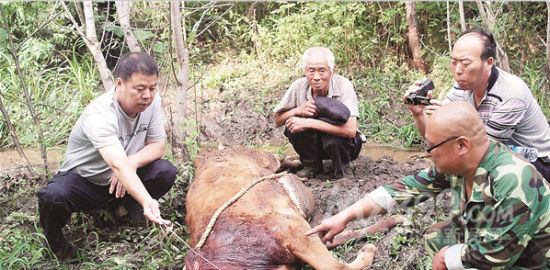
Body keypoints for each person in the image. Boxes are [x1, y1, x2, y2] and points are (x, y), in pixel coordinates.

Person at [307, 101, 550, 269]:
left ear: (462, 145)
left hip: (526, 261)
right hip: (486, 242)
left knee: (449, 252)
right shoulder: (459, 165)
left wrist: (447, 257)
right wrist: (345, 217)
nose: (427, 154)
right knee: (438, 235)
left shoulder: (512, 180)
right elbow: (402, 191)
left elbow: (496, 257)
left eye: (432, 147)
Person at [37, 52, 177, 260]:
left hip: (121, 179)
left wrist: (132, 162)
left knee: (165, 171)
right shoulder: (100, 114)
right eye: (140, 89)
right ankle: (56, 244)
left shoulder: (152, 102)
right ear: (119, 84)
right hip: (86, 182)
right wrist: (148, 200)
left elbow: (157, 146)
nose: (147, 95)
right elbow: (116, 163)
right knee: (53, 197)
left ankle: (124, 209)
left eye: (152, 87)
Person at [405, 28, 550, 181]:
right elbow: (436, 140)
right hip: (500, 153)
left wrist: (451, 121)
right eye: (454, 62)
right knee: (449, 158)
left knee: (464, 161)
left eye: (465, 63)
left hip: (538, 162)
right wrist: (418, 114)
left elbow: (482, 151)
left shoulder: (511, 94)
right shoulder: (462, 87)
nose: (458, 71)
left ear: (488, 63)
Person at [273, 47, 362, 179]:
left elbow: (350, 130)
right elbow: (278, 120)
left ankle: (343, 167)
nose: (316, 77)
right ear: (304, 71)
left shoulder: (343, 85)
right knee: (293, 125)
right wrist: (297, 110)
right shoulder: (298, 86)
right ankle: (311, 165)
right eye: (311, 70)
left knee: (334, 139)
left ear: (332, 70)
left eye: (322, 71)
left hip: (343, 145)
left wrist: (309, 122)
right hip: (314, 145)